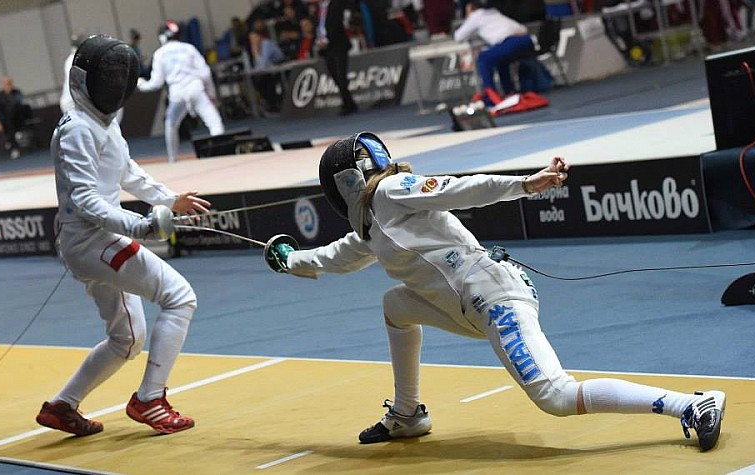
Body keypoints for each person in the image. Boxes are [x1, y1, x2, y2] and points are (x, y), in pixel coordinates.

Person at [267, 132, 726, 451]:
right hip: (464, 306)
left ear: (344, 182)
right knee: (395, 306)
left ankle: (691, 404)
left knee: (556, 396)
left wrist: (525, 184)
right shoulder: (371, 227)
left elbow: (457, 189)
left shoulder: (391, 190)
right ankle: (408, 415)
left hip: (495, 299)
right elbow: (333, 257)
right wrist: (288, 259)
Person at [36, 34, 210, 436]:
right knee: (180, 297)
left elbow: (127, 171)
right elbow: (84, 200)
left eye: (120, 76)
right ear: (85, 80)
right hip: (92, 243)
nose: (116, 84)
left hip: (95, 242)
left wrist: (170, 199)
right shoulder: (77, 129)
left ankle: (61, 407)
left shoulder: (103, 123)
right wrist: (141, 225)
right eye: (109, 76)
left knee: (127, 338)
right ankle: (150, 400)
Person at [137, 20, 225, 163]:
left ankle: (172, 159)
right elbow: (205, 73)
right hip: (195, 89)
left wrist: (141, 85)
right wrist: (211, 95)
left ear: (162, 37)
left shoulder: (160, 54)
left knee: (171, 125)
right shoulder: (189, 48)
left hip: (177, 93)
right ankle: (221, 153)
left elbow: (156, 83)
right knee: (214, 122)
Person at [453, 0, 535, 104]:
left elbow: (458, 36)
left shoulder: (476, 16)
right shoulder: (493, 12)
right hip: (526, 40)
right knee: (501, 60)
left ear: (472, 9)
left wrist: (468, 20)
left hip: (511, 42)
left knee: (483, 59)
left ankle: (490, 96)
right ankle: (509, 92)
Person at [317, 0, 359, 115]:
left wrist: (327, 40)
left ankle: (347, 104)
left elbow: (337, 25)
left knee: (341, 76)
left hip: (338, 45)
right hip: (326, 49)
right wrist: (319, 41)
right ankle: (350, 102)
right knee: (334, 75)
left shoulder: (336, 4)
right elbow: (320, 26)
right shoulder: (320, 8)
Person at [0, 76, 33, 159]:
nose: (7, 85)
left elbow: (20, 104)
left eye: (9, 83)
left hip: (18, 118)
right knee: (7, 126)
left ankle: (15, 142)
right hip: (5, 120)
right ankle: (13, 147)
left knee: (14, 122)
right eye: (5, 84)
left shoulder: (17, 92)